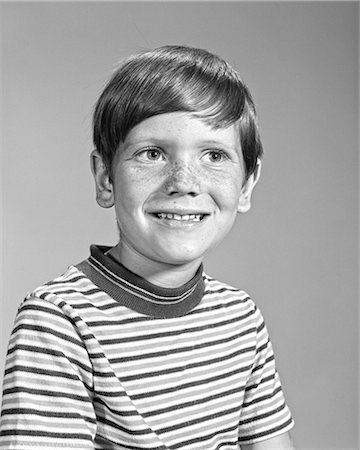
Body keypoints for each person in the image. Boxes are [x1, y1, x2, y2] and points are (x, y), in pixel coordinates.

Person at [0, 45, 295, 449]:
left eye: (214, 155)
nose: (184, 181)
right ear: (105, 178)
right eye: (152, 153)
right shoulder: (59, 321)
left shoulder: (241, 317)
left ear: (246, 185)